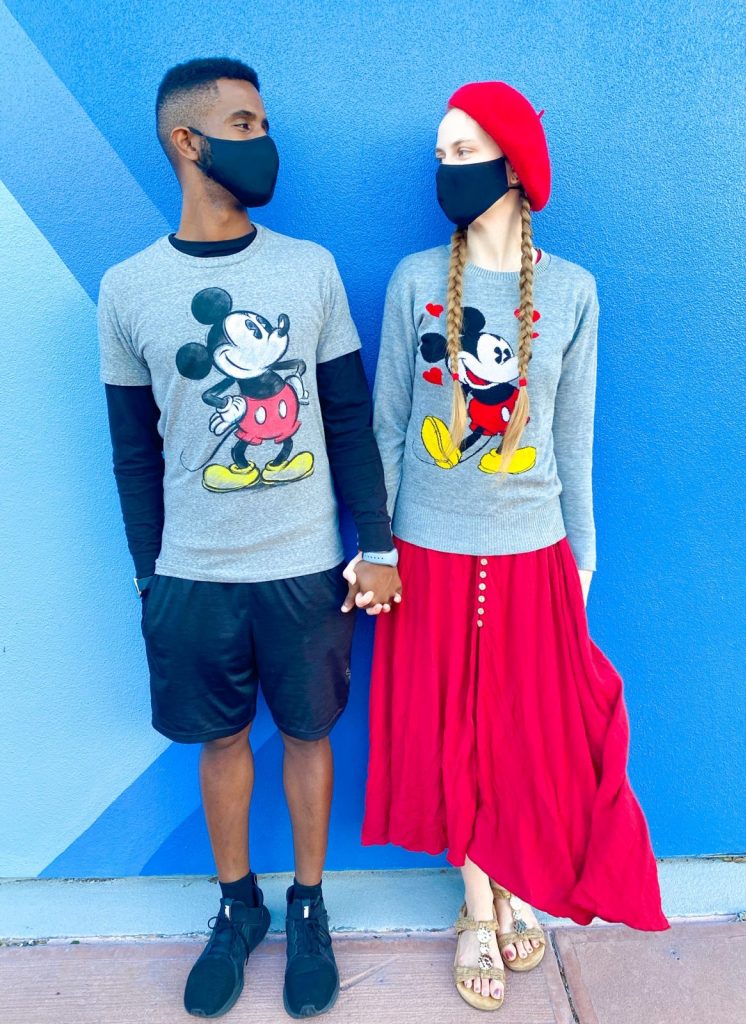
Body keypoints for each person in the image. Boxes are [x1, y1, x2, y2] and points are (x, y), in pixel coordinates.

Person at [97, 57, 401, 1020]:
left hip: (306, 568)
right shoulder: (126, 289)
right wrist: (149, 580)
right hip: (192, 576)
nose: (262, 140)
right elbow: (132, 456)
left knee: (309, 737)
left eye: (261, 120)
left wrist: (381, 544)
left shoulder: (308, 270)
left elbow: (349, 418)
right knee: (222, 742)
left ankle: (310, 906)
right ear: (189, 143)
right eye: (242, 122)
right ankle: (239, 910)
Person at [362, 80, 670, 1012]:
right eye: (442, 154)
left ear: (514, 163)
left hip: (534, 553)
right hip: (427, 552)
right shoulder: (417, 280)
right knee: (450, 725)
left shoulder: (574, 290)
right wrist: (376, 547)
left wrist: (582, 556)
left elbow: (574, 436)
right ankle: (476, 905)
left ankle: (519, 880)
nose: (447, 168)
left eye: (464, 151)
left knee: (529, 734)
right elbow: (384, 426)